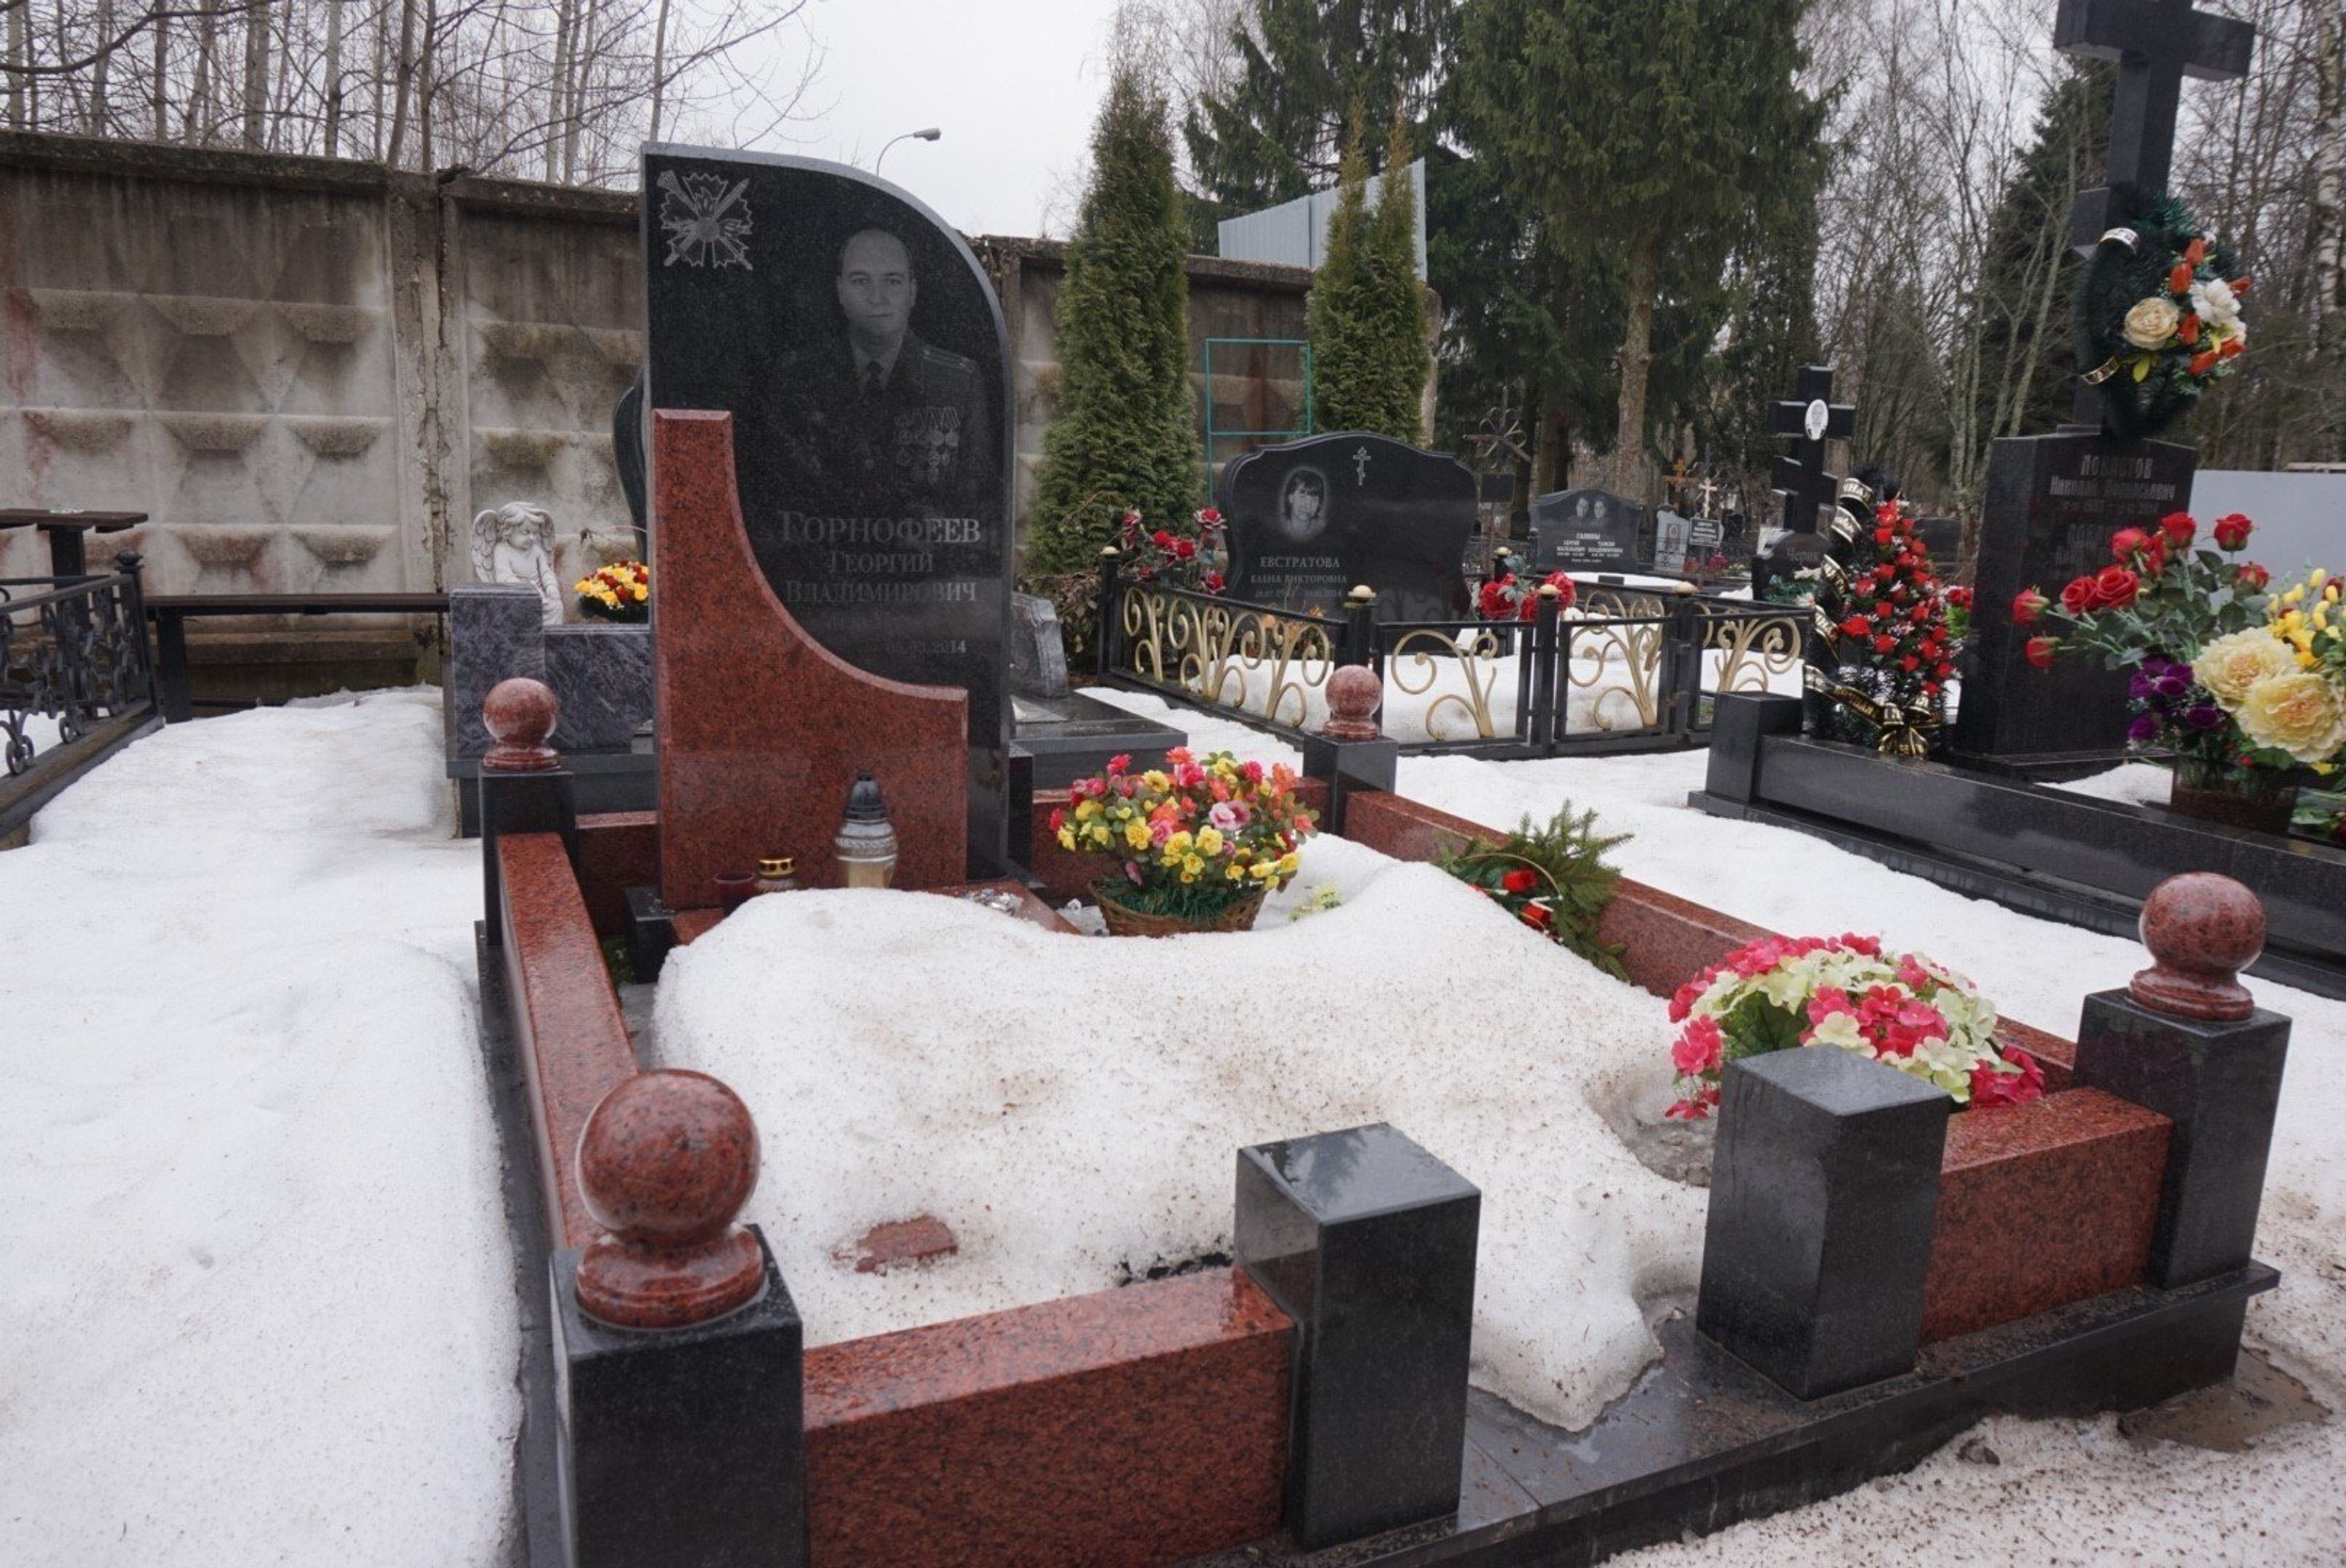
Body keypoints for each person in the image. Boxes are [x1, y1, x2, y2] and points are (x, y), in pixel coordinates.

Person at [769, 227, 993, 513]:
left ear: (913, 291)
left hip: (922, 553)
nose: (878, 297)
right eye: (861, 281)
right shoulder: (797, 376)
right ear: (840, 290)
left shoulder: (960, 382)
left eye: (893, 281)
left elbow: (977, 498)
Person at [1278, 467, 1329, 542]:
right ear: (1291, 498)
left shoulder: (1324, 529)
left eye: (1314, 499)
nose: (1308, 506)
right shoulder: (1277, 525)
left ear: (1319, 504)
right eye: (1303, 497)